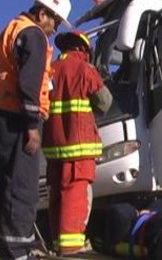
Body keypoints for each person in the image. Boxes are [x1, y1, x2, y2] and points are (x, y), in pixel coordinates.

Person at [0, 0, 71, 259]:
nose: (55, 29)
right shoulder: (33, 35)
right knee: (22, 190)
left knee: (6, 187)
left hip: (1, 116)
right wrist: (32, 126)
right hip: (19, 121)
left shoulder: (12, 28)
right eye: (54, 21)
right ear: (42, 12)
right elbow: (30, 83)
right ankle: (19, 252)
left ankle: (9, 250)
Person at [42, 31, 112, 255]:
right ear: (83, 50)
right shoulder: (85, 69)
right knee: (76, 203)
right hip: (79, 153)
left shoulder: (49, 70)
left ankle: (57, 248)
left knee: (57, 201)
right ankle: (71, 252)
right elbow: (105, 103)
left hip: (53, 153)